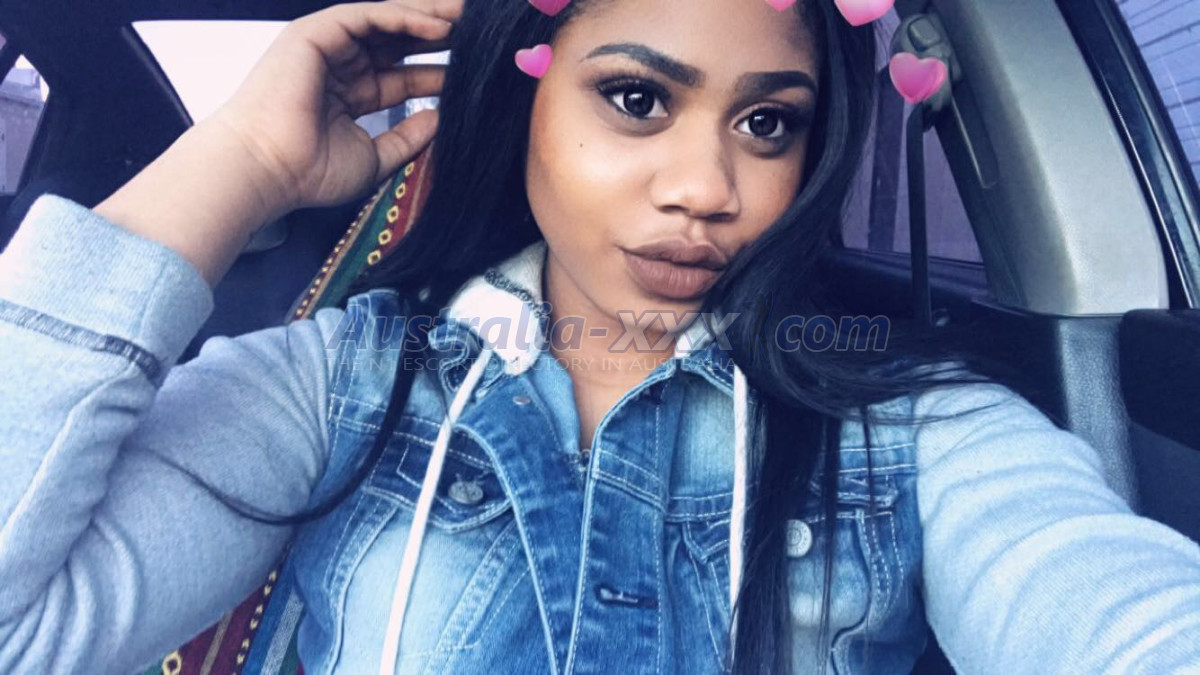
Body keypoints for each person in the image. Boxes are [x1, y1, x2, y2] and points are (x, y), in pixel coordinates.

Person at [0, 0, 1197, 673]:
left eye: (768, 125)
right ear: (523, 101)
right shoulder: (340, 385)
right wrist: (242, 159)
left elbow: (1118, 618)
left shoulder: (912, 426)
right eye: (636, 99)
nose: (707, 189)